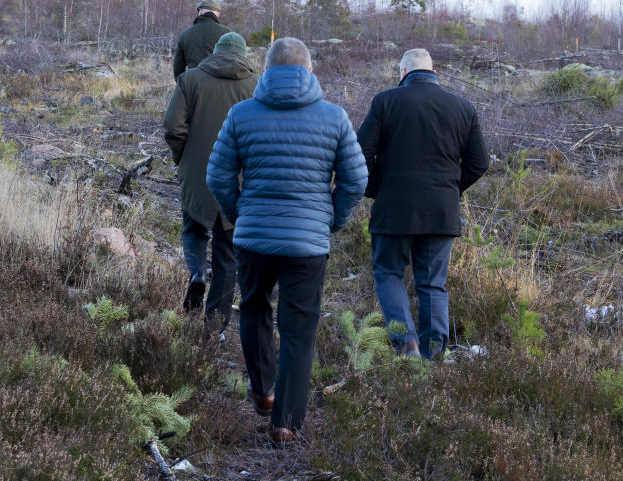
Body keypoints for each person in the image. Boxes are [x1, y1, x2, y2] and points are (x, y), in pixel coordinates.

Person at [207, 38, 367, 444]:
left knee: (254, 308)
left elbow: (217, 174)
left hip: (254, 238)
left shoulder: (241, 114)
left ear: (264, 71)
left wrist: (240, 212)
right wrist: (333, 217)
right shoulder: (334, 118)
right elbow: (356, 178)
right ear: (310, 71)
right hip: (307, 245)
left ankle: (262, 392)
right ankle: (286, 423)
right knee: (298, 329)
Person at [356, 48, 489, 359]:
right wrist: (450, 190)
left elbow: (358, 154)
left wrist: (378, 189)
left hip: (394, 208)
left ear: (402, 72)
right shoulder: (463, 107)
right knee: (432, 284)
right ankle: (433, 356)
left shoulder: (386, 101)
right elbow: (480, 163)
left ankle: (407, 345)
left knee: (389, 274)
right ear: (434, 71)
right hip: (441, 212)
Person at [163, 32, 258, 331]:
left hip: (197, 171)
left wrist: (183, 157)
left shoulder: (190, 79)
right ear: (243, 54)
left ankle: (196, 274)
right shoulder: (257, 85)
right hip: (238, 177)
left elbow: (172, 126)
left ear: (215, 51)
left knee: (193, 228)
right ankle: (214, 327)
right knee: (227, 253)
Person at [173, 0, 231, 81]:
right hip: (222, 87)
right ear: (218, 13)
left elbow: (178, 69)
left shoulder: (185, 34)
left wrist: (184, 86)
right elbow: (236, 64)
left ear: (200, 11)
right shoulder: (228, 34)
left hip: (194, 85)